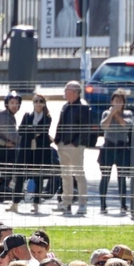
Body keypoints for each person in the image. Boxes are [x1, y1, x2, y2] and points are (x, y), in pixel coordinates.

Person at [52, 80, 97, 215]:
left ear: (75, 93)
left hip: (75, 146)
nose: (65, 93)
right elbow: (60, 124)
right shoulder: (65, 106)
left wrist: (76, 143)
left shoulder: (83, 107)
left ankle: (82, 204)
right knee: (65, 175)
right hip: (63, 145)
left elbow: (85, 129)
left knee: (78, 175)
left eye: (67, 90)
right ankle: (66, 203)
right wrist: (57, 140)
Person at [96, 91, 134, 214]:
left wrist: (117, 115)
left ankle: (123, 204)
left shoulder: (127, 114)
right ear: (111, 102)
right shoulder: (106, 113)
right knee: (105, 176)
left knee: (122, 177)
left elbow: (127, 126)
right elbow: (103, 126)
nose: (117, 103)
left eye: (120, 101)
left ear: (123, 103)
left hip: (122, 147)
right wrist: (111, 113)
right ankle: (103, 205)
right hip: (108, 146)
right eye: (115, 100)